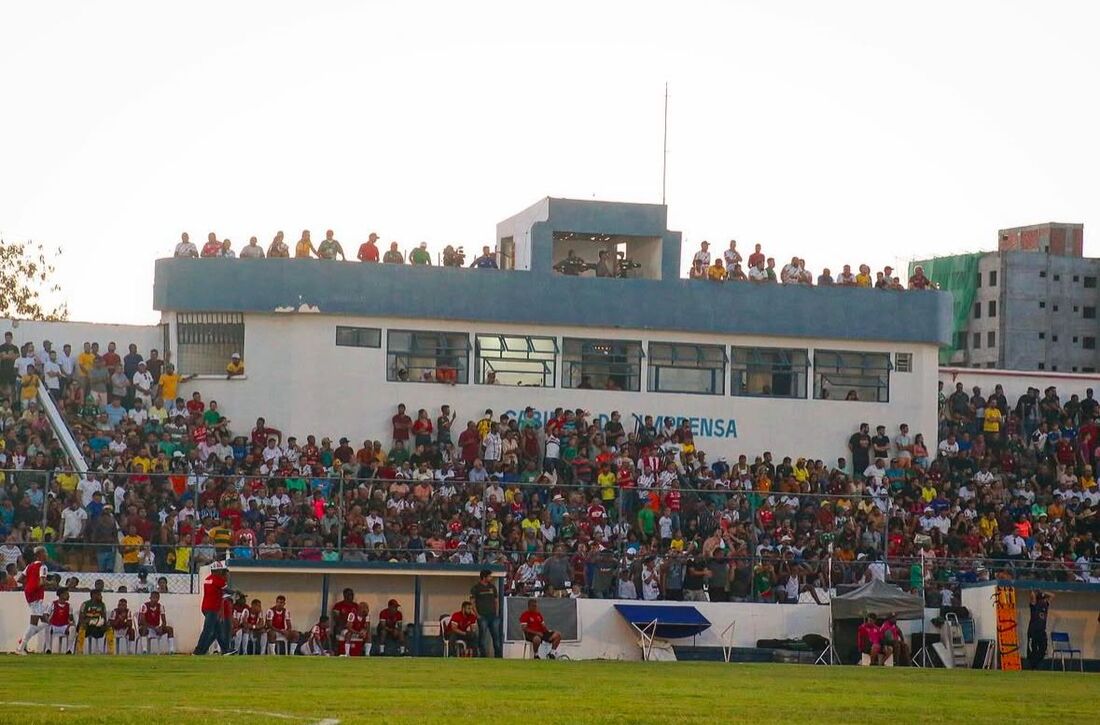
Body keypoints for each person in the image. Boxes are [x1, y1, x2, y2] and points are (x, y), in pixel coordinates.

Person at [193, 560, 235, 655]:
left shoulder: (208, 579)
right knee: (207, 631)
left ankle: (225, 650)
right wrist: (235, 592)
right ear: (215, 571)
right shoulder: (218, 580)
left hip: (206, 607)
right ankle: (198, 651)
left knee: (218, 631)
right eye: (220, 570)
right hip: (212, 609)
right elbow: (227, 590)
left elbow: (217, 593)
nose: (221, 572)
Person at [15, 546, 50, 654]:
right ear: (40, 554)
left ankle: (24, 641)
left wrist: (29, 584)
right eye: (45, 553)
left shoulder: (29, 566)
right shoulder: (43, 566)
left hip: (29, 594)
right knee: (34, 623)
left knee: (45, 622)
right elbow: (42, 582)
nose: (47, 555)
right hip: (36, 595)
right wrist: (51, 583)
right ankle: (20, 648)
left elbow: (20, 579)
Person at [471, 569, 500, 658]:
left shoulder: (492, 587)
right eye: (489, 576)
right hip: (482, 616)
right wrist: (477, 615)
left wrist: (496, 612)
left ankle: (498, 656)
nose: (491, 578)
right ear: (484, 577)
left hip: (493, 616)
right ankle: (483, 656)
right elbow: (473, 602)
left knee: (496, 636)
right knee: (482, 637)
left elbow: (496, 601)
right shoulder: (476, 588)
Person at [1026, 590, 1053, 669]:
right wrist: (1033, 589)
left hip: (1042, 631)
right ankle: (1032, 666)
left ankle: (1036, 663)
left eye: (1044, 599)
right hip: (1033, 631)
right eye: (1042, 599)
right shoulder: (1034, 605)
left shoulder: (1045, 606)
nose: (1044, 600)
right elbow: (1032, 597)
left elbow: (1052, 596)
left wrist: (1042, 591)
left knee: (1043, 649)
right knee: (1032, 650)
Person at [78, 588, 109, 654]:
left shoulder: (102, 605)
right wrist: (88, 622)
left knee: (109, 628)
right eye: (99, 595)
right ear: (93, 595)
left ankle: (110, 651)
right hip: (87, 626)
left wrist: (104, 624)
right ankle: (80, 649)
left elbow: (104, 617)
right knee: (82, 627)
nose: (101, 596)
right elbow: (81, 618)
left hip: (97, 625)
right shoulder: (85, 604)